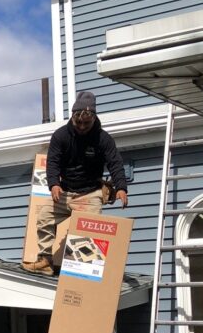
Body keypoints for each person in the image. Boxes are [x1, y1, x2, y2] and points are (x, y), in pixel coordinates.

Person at [22, 91, 128, 276]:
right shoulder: (61, 136)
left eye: (86, 123)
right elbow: (53, 161)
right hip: (65, 191)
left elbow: (115, 163)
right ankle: (45, 260)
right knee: (44, 216)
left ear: (93, 118)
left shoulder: (103, 139)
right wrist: (54, 184)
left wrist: (121, 187)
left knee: (88, 234)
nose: (82, 127)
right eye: (78, 123)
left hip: (90, 193)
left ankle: (84, 272)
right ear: (72, 117)